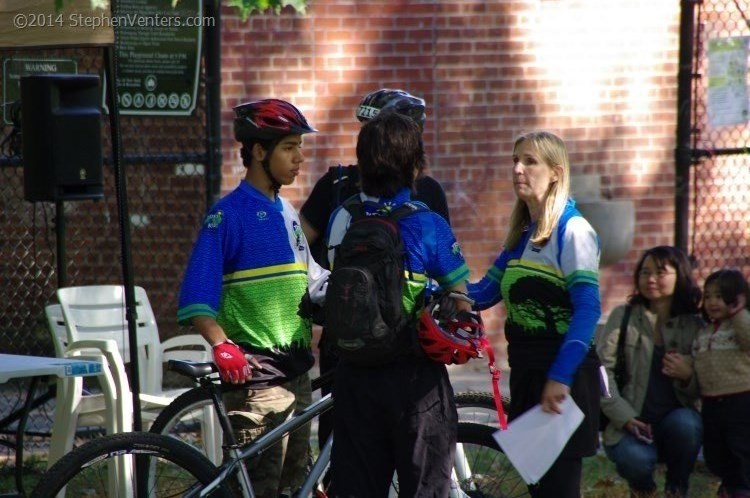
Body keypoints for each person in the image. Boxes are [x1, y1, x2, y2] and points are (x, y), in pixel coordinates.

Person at [177, 99, 329, 498]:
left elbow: (311, 278)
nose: (299, 157)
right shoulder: (226, 217)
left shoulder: (288, 212)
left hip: (297, 374)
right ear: (259, 152)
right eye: (289, 147)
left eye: (300, 146)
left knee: (294, 486)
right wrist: (222, 344)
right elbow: (197, 298)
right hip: (256, 381)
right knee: (256, 489)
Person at [326, 111, 471, 496]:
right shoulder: (427, 225)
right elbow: (461, 297)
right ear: (415, 166)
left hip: (353, 376)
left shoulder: (342, 218)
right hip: (414, 382)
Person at [299, 88, 451, 452]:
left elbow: (441, 265)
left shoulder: (427, 191)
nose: (368, 138)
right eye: (365, 128)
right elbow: (299, 247)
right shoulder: (336, 186)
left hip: (405, 340)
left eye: (376, 128)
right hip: (350, 335)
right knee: (344, 443)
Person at [467, 131, 602, 498]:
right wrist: (436, 287)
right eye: (515, 159)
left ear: (556, 172)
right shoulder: (522, 235)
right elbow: (482, 293)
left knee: (558, 491)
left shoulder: (574, 231)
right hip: (527, 374)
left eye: (529, 161)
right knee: (539, 490)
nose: (517, 169)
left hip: (564, 380)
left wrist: (560, 377)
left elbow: (589, 310)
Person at [597, 245, 704, 498]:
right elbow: (601, 373)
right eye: (645, 272)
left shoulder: (695, 325)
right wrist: (623, 417)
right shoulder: (623, 316)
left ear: (680, 276)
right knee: (635, 459)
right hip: (629, 423)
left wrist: (688, 375)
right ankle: (643, 489)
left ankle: (676, 489)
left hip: (674, 423)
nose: (650, 279)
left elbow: (710, 382)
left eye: (660, 272)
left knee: (688, 425)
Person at [692, 269, 750, 498]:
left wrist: (738, 313)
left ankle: (741, 489)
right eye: (707, 296)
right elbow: (696, 357)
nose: (712, 302)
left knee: (740, 450)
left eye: (720, 295)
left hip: (741, 399)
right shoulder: (704, 331)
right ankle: (729, 485)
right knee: (716, 451)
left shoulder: (739, 325)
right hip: (711, 402)